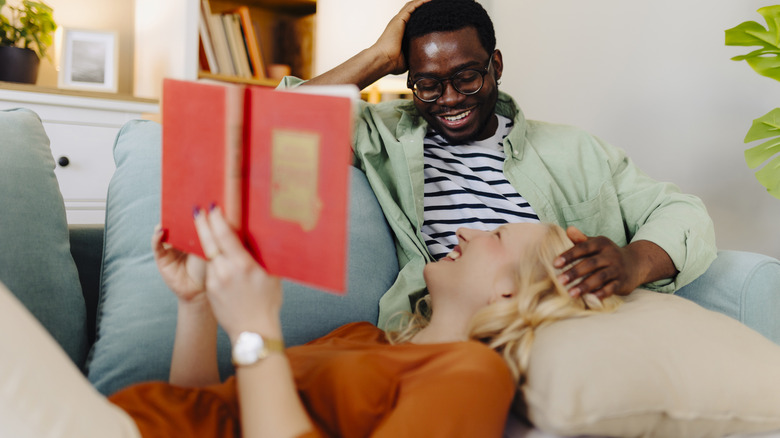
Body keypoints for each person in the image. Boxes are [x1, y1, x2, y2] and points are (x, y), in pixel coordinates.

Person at [0, 207, 619, 438]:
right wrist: (197, 305)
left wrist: (255, 332)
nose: (464, 230)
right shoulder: (362, 338)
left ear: (510, 289)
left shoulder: (472, 375)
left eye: (496, 234)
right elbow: (207, 410)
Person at [294, 0, 717, 328]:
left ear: (495, 65)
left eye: (467, 77)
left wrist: (632, 262)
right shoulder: (382, 137)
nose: (451, 99)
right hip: (446, 335)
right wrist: (380, 57)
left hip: (564, 324)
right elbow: (282, 125)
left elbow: (683, 212)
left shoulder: (576, 151)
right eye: (428, 85)